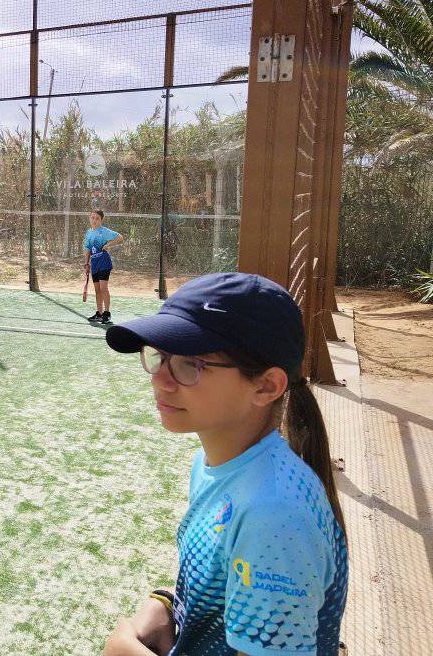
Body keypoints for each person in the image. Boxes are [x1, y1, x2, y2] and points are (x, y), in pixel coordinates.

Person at [100, 272, 348, 656]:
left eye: (189, 364)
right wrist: (166, 603)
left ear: (266, 386)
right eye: (159, 356)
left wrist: (123, 652)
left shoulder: (273, 513)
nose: (160, 380)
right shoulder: (215, 463)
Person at [83, 208, 123, 324]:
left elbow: (119, 237)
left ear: (101, 220)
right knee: (97, 290)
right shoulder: (88, 233)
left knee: (103, 288)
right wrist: (86, 264)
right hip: (94, 263)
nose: (94, 220)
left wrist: (108, 245)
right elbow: (87, 249)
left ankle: (107, 313)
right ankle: (99, 313)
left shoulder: (104, 231)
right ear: (90, 217)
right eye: (92, 218)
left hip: (104, 262)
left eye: (97, 218)